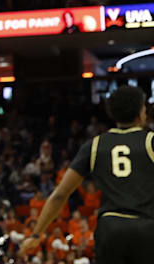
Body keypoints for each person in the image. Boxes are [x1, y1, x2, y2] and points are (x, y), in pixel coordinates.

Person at [21, 85, 154, 264]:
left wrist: (37, 233)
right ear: (140, 112)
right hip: (145, 227)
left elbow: (60, 194)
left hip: (110, 229)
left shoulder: (95, 145)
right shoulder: (150, 141)